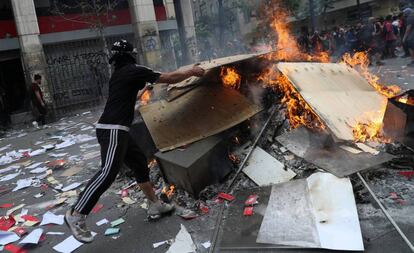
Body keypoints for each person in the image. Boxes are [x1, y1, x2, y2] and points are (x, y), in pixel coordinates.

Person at [64, 39, 205, 243]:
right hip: (113, 129)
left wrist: (143, 91)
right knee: (108, 173)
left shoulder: (120, 74)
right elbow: (169, 78)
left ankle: (155, 203)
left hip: (119, 130)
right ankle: (76, 214)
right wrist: (191, 71)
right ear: (131, 55)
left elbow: (131, 96)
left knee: (139, 163)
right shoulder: (134, 69)